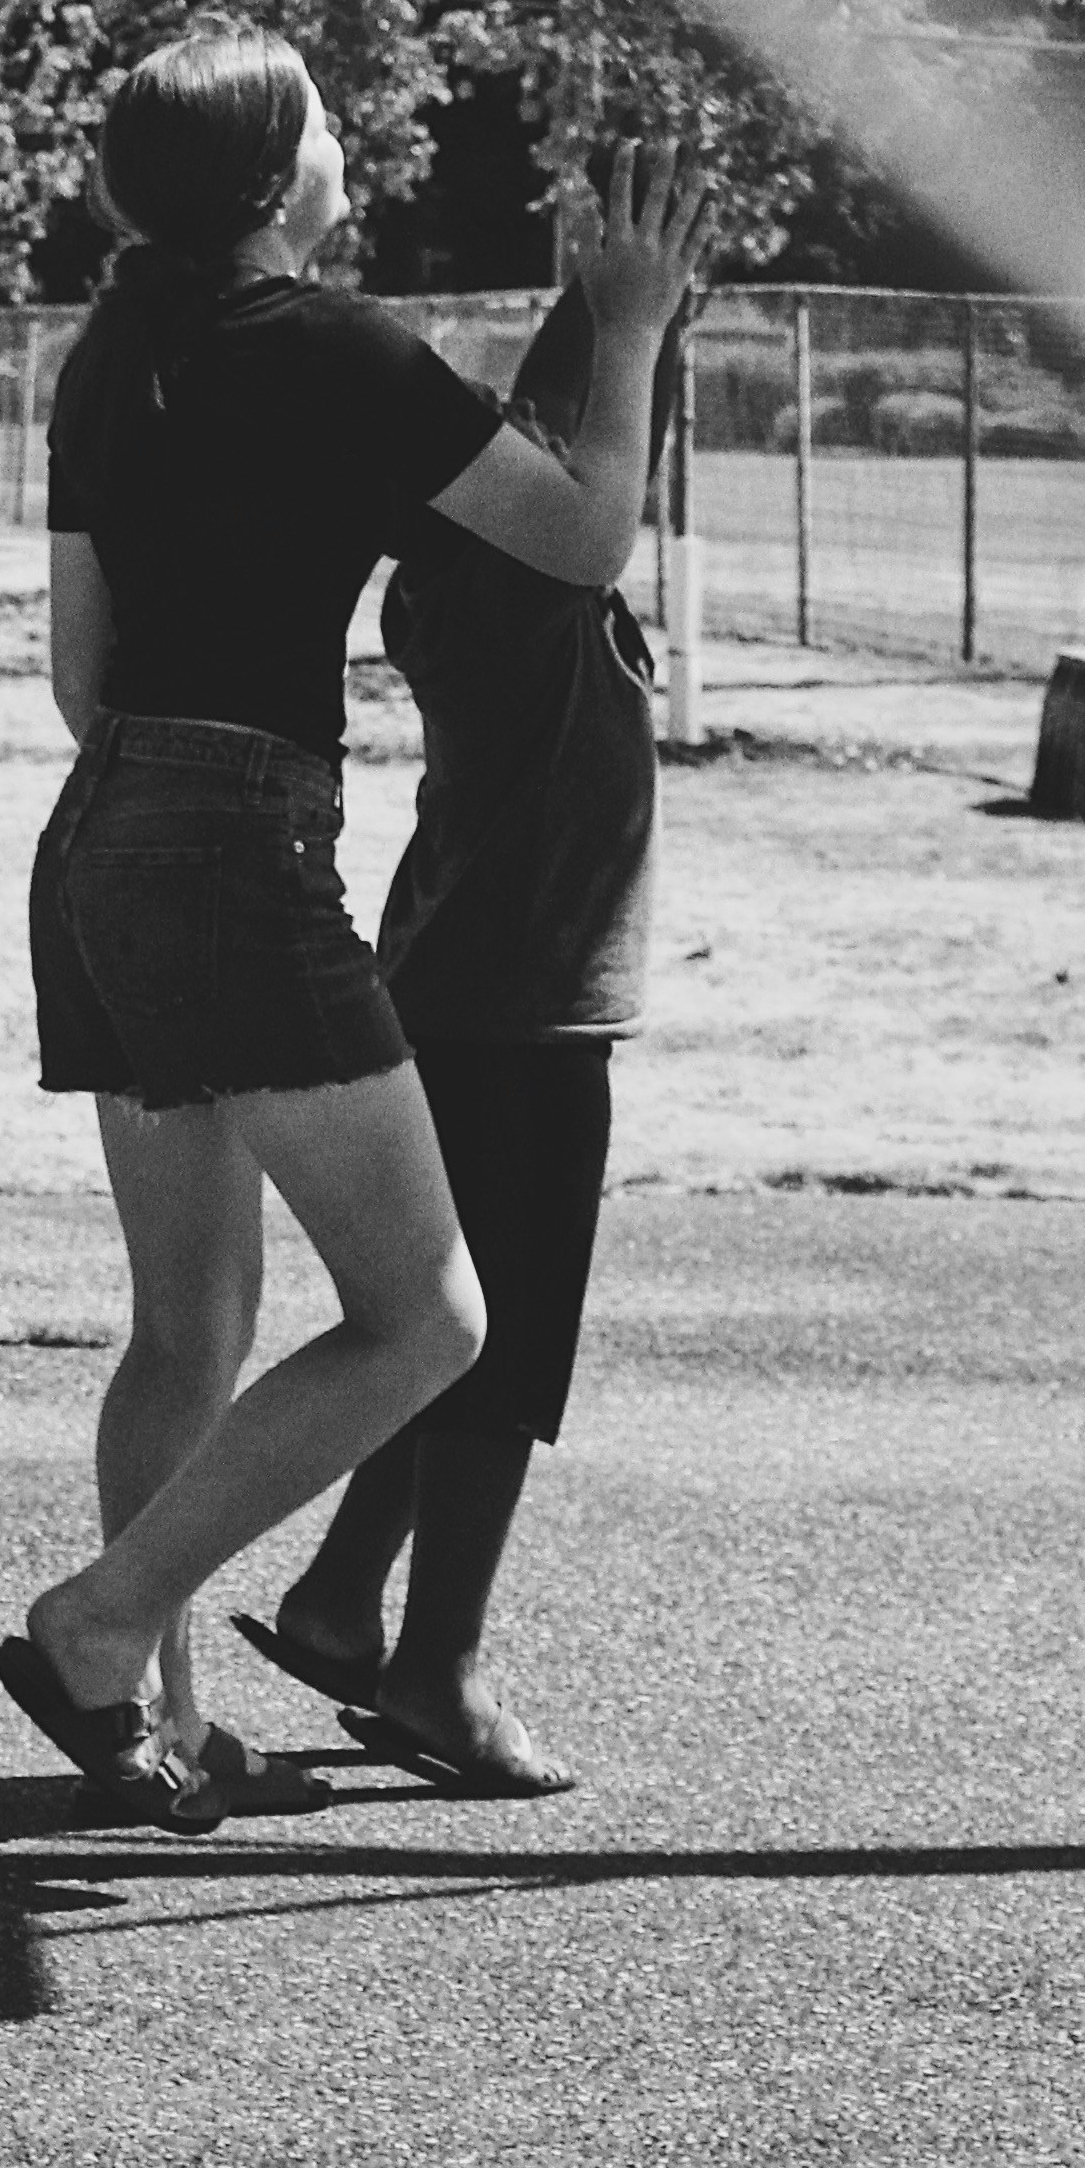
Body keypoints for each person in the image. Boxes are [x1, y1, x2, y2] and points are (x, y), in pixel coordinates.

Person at [0, 21, 710, 1830]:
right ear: (274, 178)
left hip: (96, 847)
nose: (343, 145)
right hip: (234, 856)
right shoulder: (337, 348)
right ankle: (98, 1629)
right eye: (323, 125)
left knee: (190, 1324)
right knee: (433, 1320)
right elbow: (579, 537)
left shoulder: (111, 358)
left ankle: (142, 1718)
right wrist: (623, 325)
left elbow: (83, 683)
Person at [229, 266, 672, 1799]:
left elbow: (575, 437)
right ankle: (443, 1675)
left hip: (473, 989)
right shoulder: (533, 588)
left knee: (457, 1332)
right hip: (522, 1008)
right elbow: (589, 437)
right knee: (508, 1354)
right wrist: (627, 319)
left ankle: (345, 1606)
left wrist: (625, 313)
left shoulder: (481, 579)